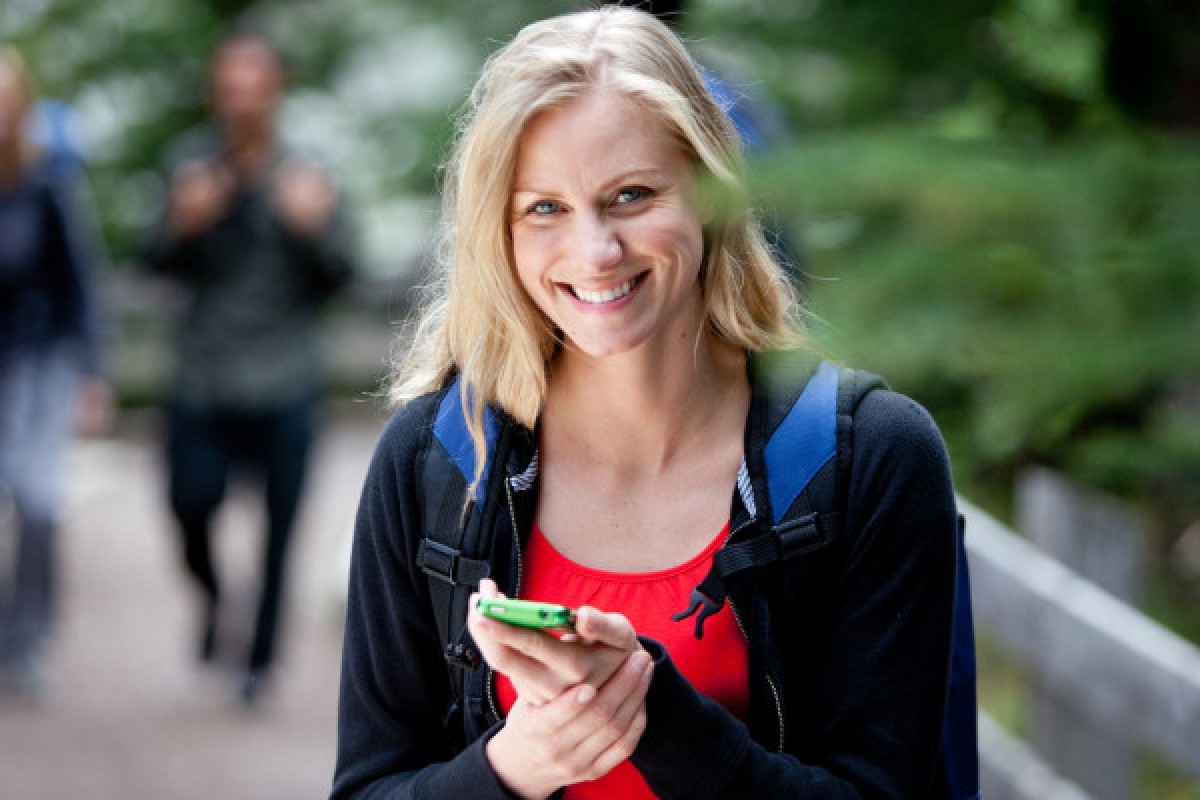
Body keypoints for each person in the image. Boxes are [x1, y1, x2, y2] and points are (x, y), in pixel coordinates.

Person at [333, 8, 971, 799]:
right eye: (545, 208)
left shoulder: (871, 457)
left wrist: (652, 718)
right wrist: (515, 766)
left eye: (631, 195)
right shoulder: (434, 460)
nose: (595, 252)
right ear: (498, 232)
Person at [142, 29, 354, 705]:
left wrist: (312, 228)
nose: (240, 99)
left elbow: (343, 275)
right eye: (228, 86)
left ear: (275, 90)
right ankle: (212, 596)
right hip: (204, 374)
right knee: (189, 505)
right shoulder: (189, 165)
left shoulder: (309, 170)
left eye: (252, 85)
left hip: (285, 375)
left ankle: (260, 661)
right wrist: (182, 222)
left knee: (279, 530)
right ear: (216, 94)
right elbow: (152, 263)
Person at [0, 48, 112, 698]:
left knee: (37, 500)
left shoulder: (47, 184)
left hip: (41, 364)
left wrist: (93, 376)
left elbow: (81, 284)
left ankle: (28, 640)